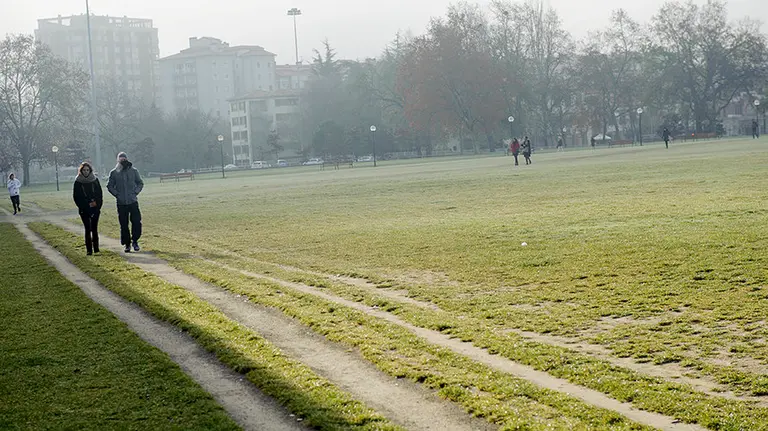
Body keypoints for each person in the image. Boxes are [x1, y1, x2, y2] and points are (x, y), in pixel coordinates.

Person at [107, 152, 144, 253]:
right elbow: (110, 186)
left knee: (136, 222)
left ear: (127, 159)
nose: (123, 160)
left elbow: (140, 183)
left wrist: (135, 192)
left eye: (124, 158)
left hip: (133, 201)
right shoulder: (114, 173)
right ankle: (127, 244)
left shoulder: (134, 171)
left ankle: (135, 241)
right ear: (118, 160)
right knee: (124, 224)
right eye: (121, 158)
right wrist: (117, 194)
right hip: (121, 203)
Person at [73, 162, 103, 255]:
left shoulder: (95, 180)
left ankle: (96, 249)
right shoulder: (78, 181)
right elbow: (76, 196)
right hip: (84, 209)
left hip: (95, 207)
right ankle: (89, 250)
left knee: (94, 228)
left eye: (87, 170)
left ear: (90, 171)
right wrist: (84, 206)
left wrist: (97, 205)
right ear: (81, 171)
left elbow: (99, 194)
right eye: (84, 170)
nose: (86, 172)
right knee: (87, 228)